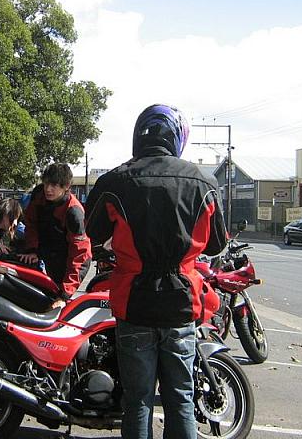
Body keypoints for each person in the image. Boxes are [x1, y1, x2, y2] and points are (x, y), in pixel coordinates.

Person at [85, 104, 227, 439]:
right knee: (180, 399)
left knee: (138, 402)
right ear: (176, 137)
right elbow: (217, 244)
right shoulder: (202, 180)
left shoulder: (115, 180)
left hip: (134, 303)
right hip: (181, 305)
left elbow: (92, 232)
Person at [18, 163, 91, 309]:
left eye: (54, 185)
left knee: (55, 303)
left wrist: (64, 294)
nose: (48, 189)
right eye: (46, 184)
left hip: (65, 259)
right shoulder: (39, 195)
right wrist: (33, 250)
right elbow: (31, 223)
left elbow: (80, 256)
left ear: (66, 186)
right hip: (45, 249)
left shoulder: (74, 212)